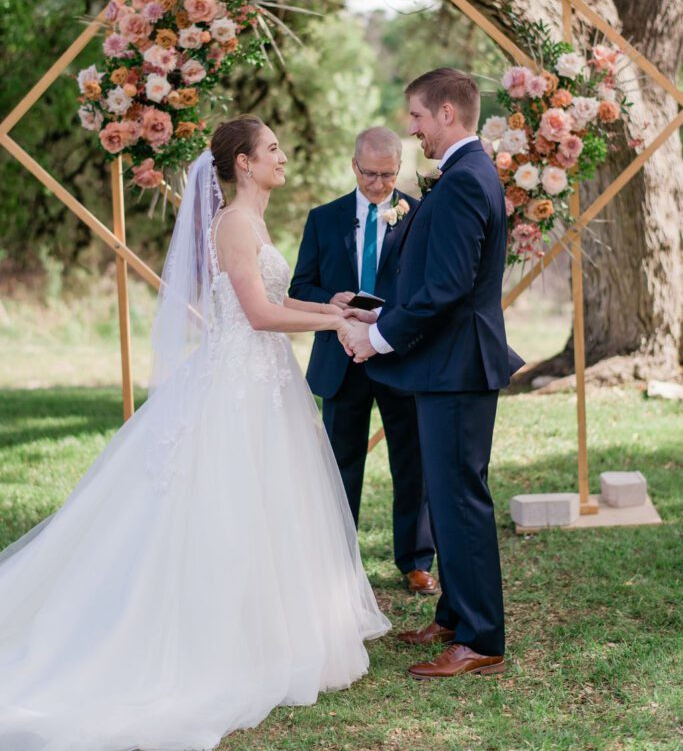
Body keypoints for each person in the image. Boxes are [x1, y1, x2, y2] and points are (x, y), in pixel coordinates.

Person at [0, 115, 389, 751]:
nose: (282, 156)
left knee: (271, 505)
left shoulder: (253, 220)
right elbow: (259, 316)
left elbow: (268, 300)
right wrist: (333, 328)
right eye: (271, 149)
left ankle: (277, 626)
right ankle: (225, 637)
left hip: (264, 381)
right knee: (229, 502)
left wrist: (332, 306)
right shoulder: (235, 223)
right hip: (238, 384)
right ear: (243, 163)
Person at [340, 69, 524, 679]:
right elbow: (436, 282)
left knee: (460, 499)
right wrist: (383, 313)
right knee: (446, 498)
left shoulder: (466, 181)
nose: (411, 129)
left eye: (416, 117)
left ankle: (481, 639)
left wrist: (378, 337)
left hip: (458, 366)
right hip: (446, 364)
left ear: (446, 113)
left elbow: (447, 288)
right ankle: (452, 616)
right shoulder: (466, 175)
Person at [290, 127, 436, 594]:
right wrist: (328, 300)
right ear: (354, 166)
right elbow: (299, 289)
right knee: (340, 463)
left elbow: (428, 288)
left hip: (399, 356)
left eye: (388, 175)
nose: (378, 185)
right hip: (342, 357)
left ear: (399, 168)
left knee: (410, 463)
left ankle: (415, 560)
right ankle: (338, 561)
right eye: (370, 174)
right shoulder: (323, 218)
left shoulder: (419, 215)